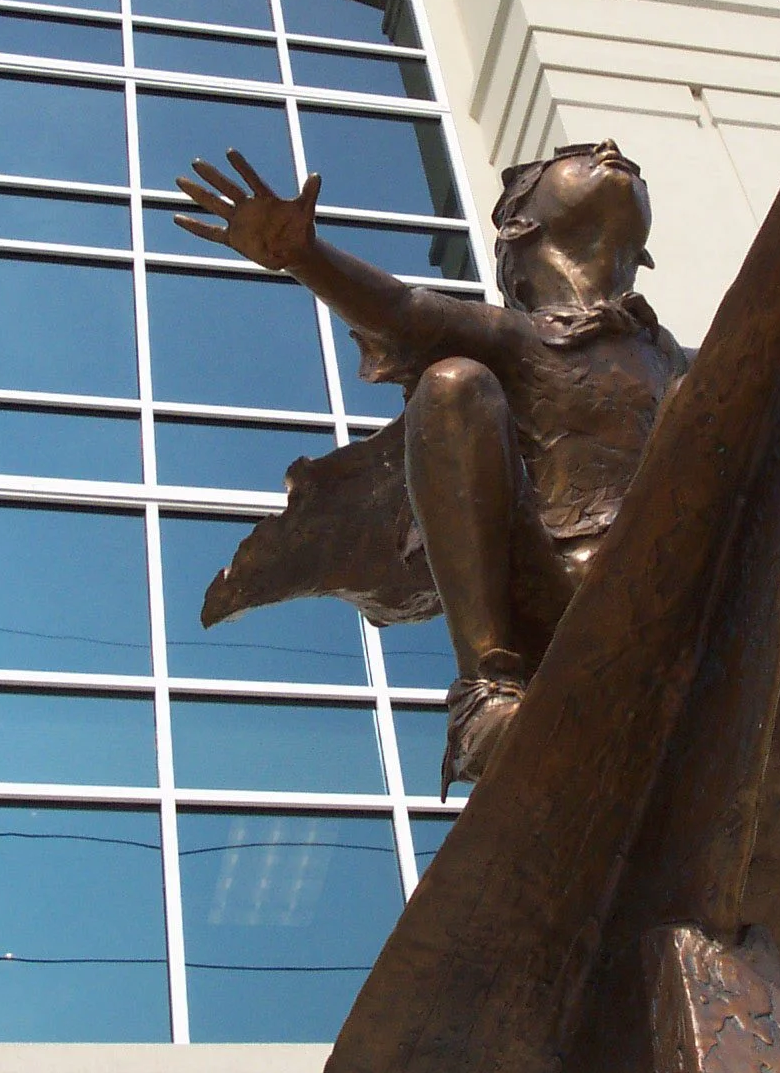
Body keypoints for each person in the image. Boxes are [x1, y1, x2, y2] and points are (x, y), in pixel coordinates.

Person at [176, 139, 687, 787]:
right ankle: (486, 691)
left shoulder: (677, 361)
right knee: (452, 383)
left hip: (669, 593)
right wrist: (304, 256)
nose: (610, 150)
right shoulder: (514, 335)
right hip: (555, 591)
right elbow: (402, 310)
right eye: (580, 157)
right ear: (523, 226)